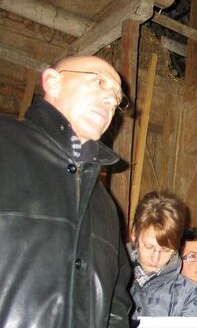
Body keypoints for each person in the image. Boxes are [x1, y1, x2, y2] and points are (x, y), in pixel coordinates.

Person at [0, 55, 132, 327]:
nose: (110, 100)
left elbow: (116, 302)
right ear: (52, 82)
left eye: (117, 99)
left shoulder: (105, 205)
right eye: (99, 82)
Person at [128, 191, 197, 325]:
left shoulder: (190, 295)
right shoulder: (112, 278)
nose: (156, 258)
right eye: (149, 247)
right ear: (134, 235)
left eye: (165, 250)